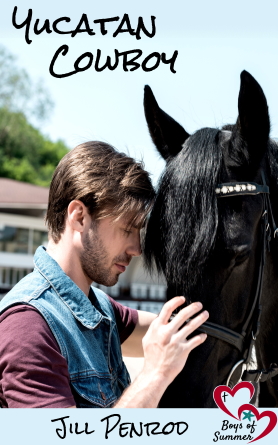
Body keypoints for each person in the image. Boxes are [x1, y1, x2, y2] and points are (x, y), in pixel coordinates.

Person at [0, 141, 209, 408]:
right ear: (79, 217)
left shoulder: (99, 310)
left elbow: (173, 334)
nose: (136, 249)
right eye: (127, 229)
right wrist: (155, 375)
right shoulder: (28, 326)